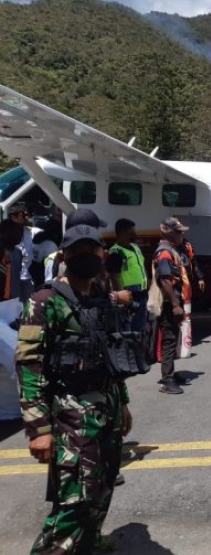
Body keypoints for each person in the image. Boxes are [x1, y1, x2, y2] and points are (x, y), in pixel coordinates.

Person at [15, 224, 134, 554]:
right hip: (70, 414)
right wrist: (38, 428)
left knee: (102, 490)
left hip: (106, 409)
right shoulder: (44, 302)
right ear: (64, 256)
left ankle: (89, 545)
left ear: (102, 254)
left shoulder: (98, 299)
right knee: (74, 502)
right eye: (77, 251)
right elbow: (28, 366)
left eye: (91, 250)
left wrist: (122, 402)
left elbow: (111, 355)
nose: (85, 257)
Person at [153, 217, 192, 395]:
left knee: (173, 338)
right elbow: (165, 280)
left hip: (176, 301)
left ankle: (171, 374)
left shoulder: (171, 250)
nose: (181, 234)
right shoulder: (165, 253)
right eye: (178, 231)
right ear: (166, 231)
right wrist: (176, 304)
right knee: (169, 340)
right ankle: (167, 380)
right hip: (170, 303)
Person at [106, 219, 148, 332]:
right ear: (122, 233)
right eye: (131, 232)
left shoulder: (135, 247)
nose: (135, 234)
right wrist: (121, 298)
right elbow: (114, 277)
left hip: (141, 293)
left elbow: (142, 267)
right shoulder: (116, 252)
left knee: (140, 327)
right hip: (128, 295)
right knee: (129, 329)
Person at [9, 202, 42, 302]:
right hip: (14, 278)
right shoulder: (7, 234)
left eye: (23, 215)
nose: (21, 218)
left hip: (29, 277)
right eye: (16, 215)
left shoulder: (33, 232)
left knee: (29, 304)